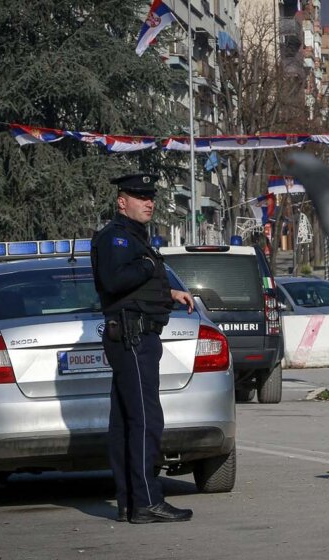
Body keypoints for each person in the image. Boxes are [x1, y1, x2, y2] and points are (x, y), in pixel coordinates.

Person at [91, 173, 196, 524]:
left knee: (126, 421)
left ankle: (130, 503)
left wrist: (169, 293)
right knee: (146, 420)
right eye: (140, 197)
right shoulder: (117, 237)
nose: (149, 202)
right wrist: (148, 264)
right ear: (122, 202)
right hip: (133, 337)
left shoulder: (134, 236)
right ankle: (148, 500)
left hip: (136, 336)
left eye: (151, 197)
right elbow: (114, 281)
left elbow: (135, 287)